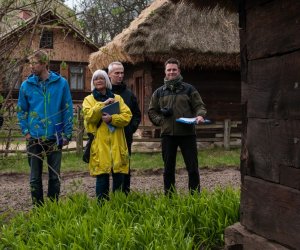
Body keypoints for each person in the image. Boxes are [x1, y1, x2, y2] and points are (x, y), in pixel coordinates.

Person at [17, 50, 73, 205]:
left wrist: (67, 134)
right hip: (34, 137)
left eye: (34, 63)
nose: (31, 67)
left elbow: (67, 109)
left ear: (44, 64)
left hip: (55, 136)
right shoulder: (26, 85)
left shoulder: (61, 83)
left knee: (54, 175)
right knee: (35, 177)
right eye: (30, 63)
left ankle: (53, 207)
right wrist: (26, 132)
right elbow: (21, 110)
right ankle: (38, 208)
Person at [148, 58, 207, 195]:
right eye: (169, 70)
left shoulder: (189, 89)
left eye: (174, 69)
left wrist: (200, 115)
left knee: (192, 168)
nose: (171, 72)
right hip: (168, 135)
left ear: (179, 71)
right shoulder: (159, 92)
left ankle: (195, 197)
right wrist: (161, 121)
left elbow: (199, 106)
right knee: (168, 169)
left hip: (187, 134)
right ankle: (169, 197)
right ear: (165, 72)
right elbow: (151, 111)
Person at [82, 69, 132, 201]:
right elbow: (89, 117)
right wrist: (103, 105)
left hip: (117, 143)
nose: (98, 80)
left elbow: (127, 117)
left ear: (107, 81)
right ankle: (102, 209)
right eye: (95, 78)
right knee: (102, 178)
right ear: (93, 82)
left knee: (118, 177)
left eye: (102, 78)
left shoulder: (117, 98)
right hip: (100, 146)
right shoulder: (88, 100)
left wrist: (112, 119)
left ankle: (117, 205)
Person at [108, 62, 141, 194]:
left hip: (125, 136)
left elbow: (136, 115)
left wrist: (130, 129)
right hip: (108, 136)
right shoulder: (105, 93)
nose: (120, 75)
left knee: (124, 165)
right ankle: (107, 195)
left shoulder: (129, 94)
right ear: (110, 74)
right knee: (107, 165)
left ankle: (125, 193)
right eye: (117, 73)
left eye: (122, 73)